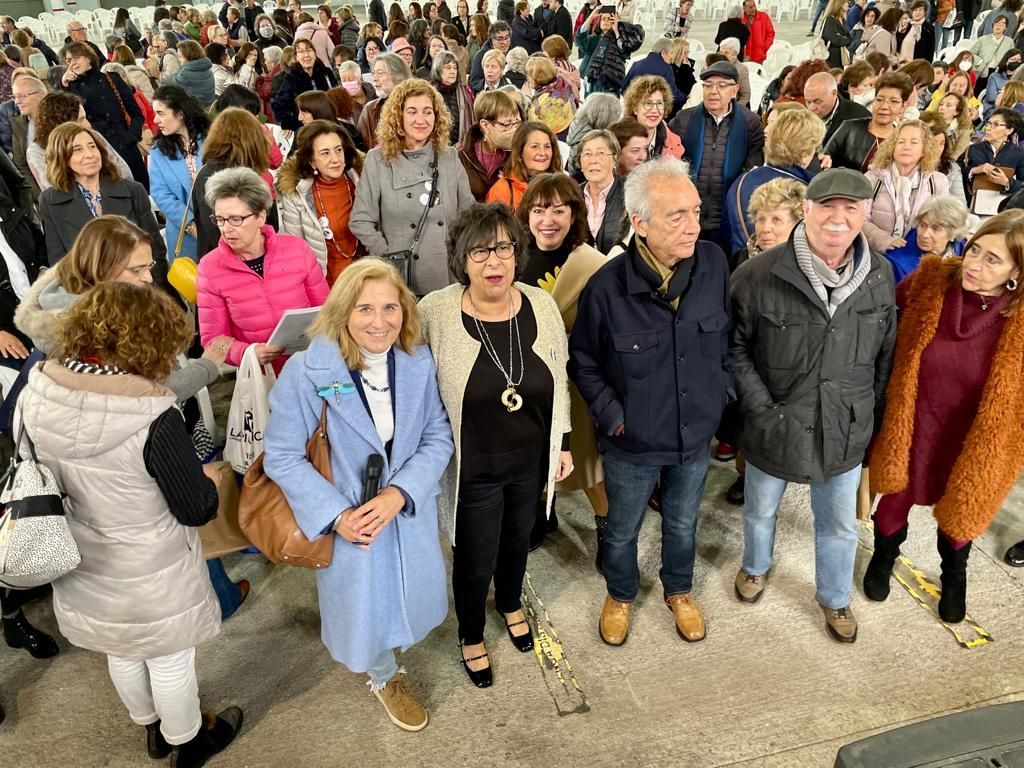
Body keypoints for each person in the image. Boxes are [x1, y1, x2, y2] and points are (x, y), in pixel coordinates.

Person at [16, 281, 242, 765]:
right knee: (169, 656)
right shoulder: (150, 413)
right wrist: (208, 478)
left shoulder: (39, 388)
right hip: (151, 563)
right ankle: (189, 742)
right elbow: (196, 508)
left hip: (79, 556)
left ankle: (153, 732)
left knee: (119, 650)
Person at [262, 257, 452, 730]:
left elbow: (438, 437)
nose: (380, 322)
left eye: (391, 308)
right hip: (349, 519)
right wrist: (336, 516)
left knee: (406, 595)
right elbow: (282, 456)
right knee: (366, 610)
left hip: (402, 513)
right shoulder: (308, 372)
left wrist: (400, 493)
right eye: (365, 309)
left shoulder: (418, 362)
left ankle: (392, 651)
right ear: (343, 310)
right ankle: (385, 674)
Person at [569, 157, 731, 646]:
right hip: (633, 441)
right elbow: (585, 364)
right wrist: (615, 418)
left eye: (695, 212)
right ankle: (620, 592)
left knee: (683, 522)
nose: (692, 226)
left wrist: (721, 394)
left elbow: (726, 341)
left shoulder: (714, 264)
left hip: (695, 435)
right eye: (675, 216)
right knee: (621, 530)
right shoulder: (605, 289)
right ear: (639, 223)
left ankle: (678, 590)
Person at [730, 168, 896, 643]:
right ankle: (756, 567)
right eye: (827, 206)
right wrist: (762, 409)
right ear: (806, 210)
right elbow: (734, 349)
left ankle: (834, 597)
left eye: (851, 208)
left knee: (839, 524)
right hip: (775, 423)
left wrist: (871, 417)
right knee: (760, 509)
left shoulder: (879, 274)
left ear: (865, 214)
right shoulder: (757, 275)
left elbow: (885, 352)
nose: (837, 219)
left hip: (845, 424)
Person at [418, 202, 572, 686]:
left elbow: (558, 377)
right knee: (473, 554)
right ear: (462, 259)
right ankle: (470, 633)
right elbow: (416, 390)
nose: (494, 262)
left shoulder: (540, 305)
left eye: (503, 248)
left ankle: (509, 602)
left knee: (518, 541)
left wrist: (562, 443)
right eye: (480, 251)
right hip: (473, 466)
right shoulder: (435, 313)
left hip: (529, 457)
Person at [866, 210, 1024, 622]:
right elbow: (882, 322)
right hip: (914, 419)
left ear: (1016, 272)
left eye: (993, 260)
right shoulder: (931, 280)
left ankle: (955, 578)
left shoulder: (1020, 318)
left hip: (972, 434)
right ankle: (883, 560)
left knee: (961, 513)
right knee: (894, 498)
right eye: (975, 250)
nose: (974, 264)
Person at [512, 172, 609, 559]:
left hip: (574, 381)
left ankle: (607, 528)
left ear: (575, 214)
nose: (547, 219)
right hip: (526, 378)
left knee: (585, 465)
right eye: (538, 210)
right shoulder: (515, 257)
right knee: (532, 456)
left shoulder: (592, 264)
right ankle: (542, 514)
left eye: (558, 209)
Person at [197, 167, 329, 371]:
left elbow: (326, 309)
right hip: (262, 374)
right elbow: (213, 340)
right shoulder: (209, 268)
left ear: (260, 217)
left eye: (236, 219)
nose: (226, 228)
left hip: (311, 363)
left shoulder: (297, 249)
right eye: (220, 219)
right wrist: (247, 352)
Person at [351, 78, 473, 296]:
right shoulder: (377, 160)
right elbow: (360, 220)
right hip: (403, 279)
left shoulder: (449, 157)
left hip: (448, 275)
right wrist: (388, 257)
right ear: (398, 117)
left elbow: (469, 214)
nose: (421, 119)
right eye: (412, 111)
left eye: (428, 112)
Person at [37, 125, 165, 271]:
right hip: (89, 290)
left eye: (92, 146)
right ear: (62, 157)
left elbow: (156, 250)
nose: (89, 154)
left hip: (140, 285)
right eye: (78, 150)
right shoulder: (50, 201)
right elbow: (59, 262)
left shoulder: (133, 191)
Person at [668, 60, 765, 244]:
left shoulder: (750, 123)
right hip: (688, 216)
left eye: (721, 86)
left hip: (728, 217)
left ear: (735, 90)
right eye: (708, 86)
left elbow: (752, 171)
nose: (713, 91)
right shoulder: (684, 120)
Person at [723, 107, 822, 257]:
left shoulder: (742, 181)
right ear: (806, 151)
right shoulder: (806, 191)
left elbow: (726, 233)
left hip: (741, 267)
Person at [277, 120, 363, 284]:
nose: (335, 159)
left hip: (369, 275)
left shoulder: (363, 180)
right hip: (326, 284)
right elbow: (295, 251)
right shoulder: (296, 194)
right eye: (325, 153)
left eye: (338, 150)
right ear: (311, 160)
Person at [192, 105, 282, 258]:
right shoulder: (256, 174)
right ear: (253, 140)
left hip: (222, 264)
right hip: (237, 264)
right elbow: (272, 224)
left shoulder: (207, 174)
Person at [60, 42, 148, 191]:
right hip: (98, 148)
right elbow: (64, 117)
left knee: (142, 190)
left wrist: (132, 136)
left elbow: (136, 112)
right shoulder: (70, 88)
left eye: (76, 58)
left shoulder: (111, 78)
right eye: (68, 60)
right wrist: (64, 84)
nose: (72, 63)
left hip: (125, 143)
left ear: (89, 58)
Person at [862, 119, 950, 255]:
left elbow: (943, 223)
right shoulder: (872, 177)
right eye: (901, 141)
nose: (906, 147)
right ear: (892, 147)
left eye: (914, 142)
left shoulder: (938, 182)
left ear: (924, 150)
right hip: (875, 254)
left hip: (917, 256)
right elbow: (860, 219)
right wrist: (886, 241)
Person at [148, 86, 210, 262]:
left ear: (180, 114)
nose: (155, 119)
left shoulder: (213, 140)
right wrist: (190, 225)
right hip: (184, 235)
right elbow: (161, 193)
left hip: (220, 227)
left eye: (161, 113)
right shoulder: (158, 150)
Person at [822, 71, 913, 173]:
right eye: (879, 99)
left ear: (903, 107)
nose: (884, 106)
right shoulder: (849, 128)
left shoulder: (902, 141)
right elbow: (824, 157)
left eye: (894, 101)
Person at [881, 194, 969, 283]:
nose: (924, 235)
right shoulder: (896, 264)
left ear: (953, 234)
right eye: (922, 225)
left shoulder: (963, 248)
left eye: (935, 229)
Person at [458, 89, 521, 201]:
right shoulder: (462, 156)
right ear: (485, 125)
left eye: (515, 123)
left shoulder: (519, 154)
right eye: (507, 124)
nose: (513, 129)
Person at [485, 121, 560, 210]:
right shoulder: (501, 191)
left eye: (547, 146)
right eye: (535, 146)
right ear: (520, 152)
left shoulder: (562, 186)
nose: (543, 153)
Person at [272, 37, 339, 131]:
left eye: (309, 50)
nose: (306, 55)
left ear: (315, 54)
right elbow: (279, 105)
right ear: (296, 57)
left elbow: (336, 98)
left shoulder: (326, 73)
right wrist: (290, 124)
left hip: (329, 124)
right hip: (304, 128)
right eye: (301, 52)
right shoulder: (291, 77)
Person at [575, 130, 625, 255]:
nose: (593, 160)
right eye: (587, 154)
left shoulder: (630, 193)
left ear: (614, 159)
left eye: (600, 153)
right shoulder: (572, 195)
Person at [575, 9, 642, 97]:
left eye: (609, 19)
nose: (606, 21)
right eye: (603, 18)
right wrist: (591, 17)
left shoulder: (620, 40)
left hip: (610, 84)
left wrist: (617, 30)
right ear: (599, 22)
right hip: (593, 83)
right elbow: (580, 39)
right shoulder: (594, 40)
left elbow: (624, 52)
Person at [357, 52, 412, 149]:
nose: (374, 78)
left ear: (398, 75)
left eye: (380, 73)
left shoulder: (417, 106)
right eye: (373, 73)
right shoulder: (370, 110)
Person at [965, 107, 1024, 196]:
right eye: (988, 123)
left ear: (1009, 130)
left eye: (995, 124)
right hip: (973, 202)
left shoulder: (1018, 154)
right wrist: (974, 170)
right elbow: (956, 176)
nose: (988, 128)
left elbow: (1022, 186)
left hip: (1004, 205)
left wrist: (1007, 182)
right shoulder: (972, 149)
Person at [622, 75, 683, 162]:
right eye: (648, 103)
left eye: (659, 103)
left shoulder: (674, 142)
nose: (654, 110)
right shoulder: (619, 140)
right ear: (635, 108)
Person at [804, 71, 870, 146]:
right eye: (808, 102)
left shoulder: (858, 117)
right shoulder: (801, 117)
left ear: (834, 94)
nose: (811, 108)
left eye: (818, 101)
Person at [431, 50, 475, 145]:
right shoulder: (430, 93)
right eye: (448, 68)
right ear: (438, 69)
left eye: (455, 68)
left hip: (461, 146)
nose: (452, 71)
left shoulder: (465, 91)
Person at [525, 55, 576, 137]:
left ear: (538, 78)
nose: (528, 78)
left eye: (529, 75)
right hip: (570, 131)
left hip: (553, 140)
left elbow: (534, 127)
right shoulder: (563, 84)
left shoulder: (541, 102)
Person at [169, 40, 216, 107]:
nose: (179, 60)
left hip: (195, 111)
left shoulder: (185, 74)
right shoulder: (209, 70)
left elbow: (169, 82)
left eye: (180, 57)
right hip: (209, 108)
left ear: (189, 56)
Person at [971, 15, 1014, 85]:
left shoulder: (1009, 42)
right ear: (993, 26)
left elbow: (1012, 57)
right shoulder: (982, 39)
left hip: (999, 72)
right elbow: (971, 53)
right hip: (983, 70)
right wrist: (980, 61)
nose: (998, 26)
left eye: (1002, 23)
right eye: (996, 23)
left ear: (1005, 27)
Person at [742, 0, 774, 64]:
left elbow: (771, 33)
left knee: (758, 73)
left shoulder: (764, 16)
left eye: (754, 6)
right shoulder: (740, 18)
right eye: (750, 7)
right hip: (744, 55)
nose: (754, 8)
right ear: (744, 8)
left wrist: (764, 47)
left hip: (759, 55)